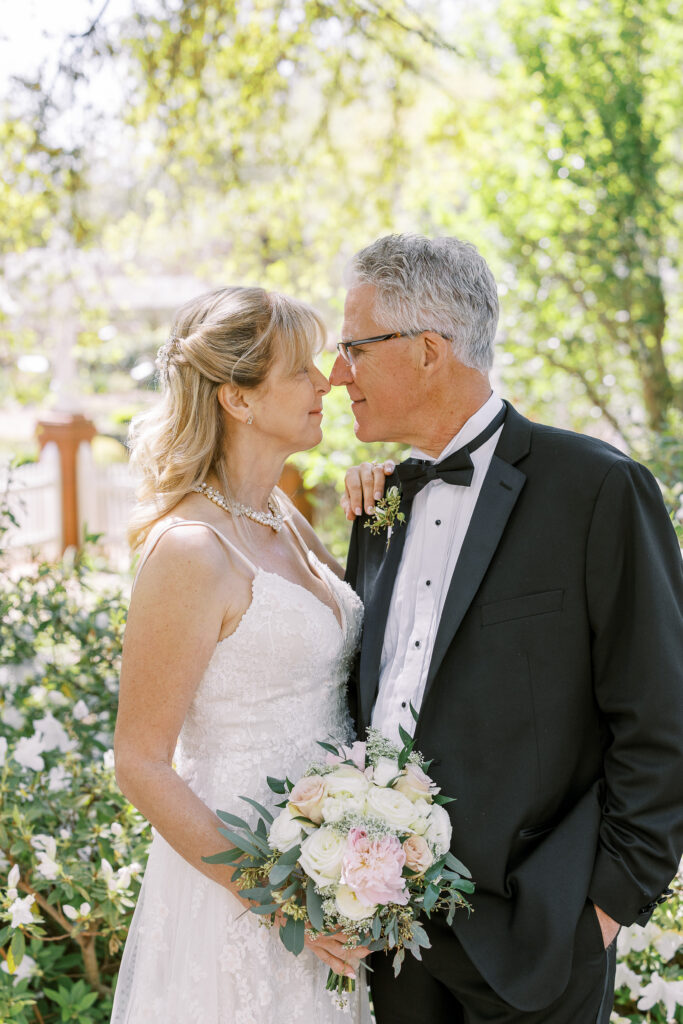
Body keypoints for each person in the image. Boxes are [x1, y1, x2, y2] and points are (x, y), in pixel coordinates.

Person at [332, 233, 683, 1024]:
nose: (335, 374)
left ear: (427, 350)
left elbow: (660, 712)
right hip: (388, 936)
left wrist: (603, 909)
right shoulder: (378, 504)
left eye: (353, 346)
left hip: (539, 936)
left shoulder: (597, 489)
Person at [111, 286, 374, 1023]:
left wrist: (377, 513)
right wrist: (280, 895)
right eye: (301, 370)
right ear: (238, 400)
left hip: (328, 869)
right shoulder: (192, 550)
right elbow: (139, 761)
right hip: (239, 883)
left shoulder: (281, 516)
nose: (326, 382)